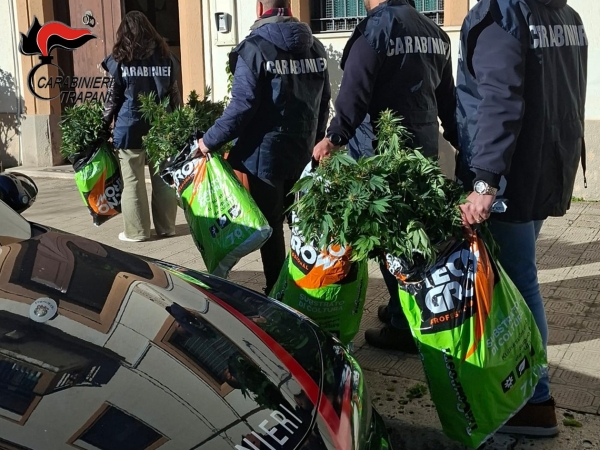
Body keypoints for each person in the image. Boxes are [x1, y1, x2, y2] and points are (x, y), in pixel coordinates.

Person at [455, 0, 588, 437]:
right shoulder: (564, 15)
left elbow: (500, 100)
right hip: (546, 166)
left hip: (511, 175)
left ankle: (535, 401)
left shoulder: (502, 16)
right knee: (520, 279)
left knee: (520, 284)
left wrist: (484, 182)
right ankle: (521, 390)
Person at [312, 0, 459, 353]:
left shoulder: (374, 31)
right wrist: (460, 141)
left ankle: (404, 326)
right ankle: (400, 309)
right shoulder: (434, 32)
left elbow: (355, 93)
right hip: (421, 154)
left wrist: (334, 137)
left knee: (390, 238)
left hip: (380, 154)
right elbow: (448, 100)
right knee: (411, 234)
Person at [194, 0, 331, 294]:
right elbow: (323, 101)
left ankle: (277, 294)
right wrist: (316, 140)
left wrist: (208, 141)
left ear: (259, 7)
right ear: (289, 6)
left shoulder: (254, 49)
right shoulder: (315, 48)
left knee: (272, 229)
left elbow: (241, 107)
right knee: (303, 225)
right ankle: (309, 290)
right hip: (303, 152)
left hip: (265, 157)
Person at [102, 11, 181, 243]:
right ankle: (167, 227)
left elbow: (113, 99)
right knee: (163, 178)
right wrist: (180, 124)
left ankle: (137, 232)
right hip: (162, 126)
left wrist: (102, 126)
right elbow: (174, 94)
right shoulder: (166, 57)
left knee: (133, 182)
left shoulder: (120, 58)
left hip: (130, 127)